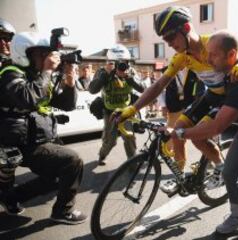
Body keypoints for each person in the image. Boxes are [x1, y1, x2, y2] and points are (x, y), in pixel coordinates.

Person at [112, 6, 238, 194]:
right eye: (164, 40)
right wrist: (132, 108)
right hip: (210, 95)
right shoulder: (181, 58)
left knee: (196, 136)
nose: (168, 44)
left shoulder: (213, 44)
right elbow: (158, 85)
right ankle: (180, 176)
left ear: (186, 28)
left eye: (170, 37)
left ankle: (220, 167)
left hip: (226, 99)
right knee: (178, 128)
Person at [168, 31, 238, 234]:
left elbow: (216, 128)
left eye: (213, 55)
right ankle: (236, 217)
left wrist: (180, 133)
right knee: (229, 174)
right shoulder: (228, 76)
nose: (208, 59)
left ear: (231, 55)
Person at [0, 31, 87, 224]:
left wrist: (70, 83)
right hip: (20, 143)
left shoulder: (39, 77)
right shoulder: (10, 72)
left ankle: (10, 198)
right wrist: (47, 71)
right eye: (42, 54)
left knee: (56, 178)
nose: (49, 59)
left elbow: (67, 105)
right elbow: (27, 98)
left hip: (38, 138)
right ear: (25, 54)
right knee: (72, 161)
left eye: (49, 54)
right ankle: (63, 211)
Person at [89, 55, 144, 166]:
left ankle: (132, 161)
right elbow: (92, 90)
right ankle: (102, 155)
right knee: (110, 141)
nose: (122, 67)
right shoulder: (103, 72)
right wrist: (104, 77)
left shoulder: (131, 72)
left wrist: (130, 79)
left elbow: (142, 88)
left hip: (126, 111)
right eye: (119, 64)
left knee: (129, 137)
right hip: (110, 112)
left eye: (125, 63)